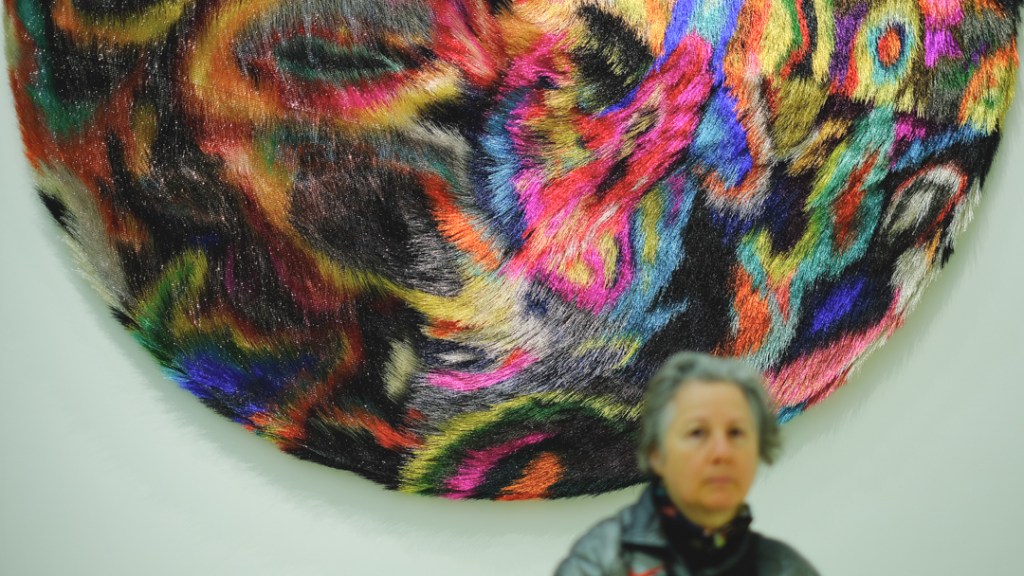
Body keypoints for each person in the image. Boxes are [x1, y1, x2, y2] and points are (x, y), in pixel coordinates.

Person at [555, 352, 819, 576]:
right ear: (657, 454)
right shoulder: (602, 559)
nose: (722, 452)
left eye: (736, 432)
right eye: (697, 432)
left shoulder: (785, 568)